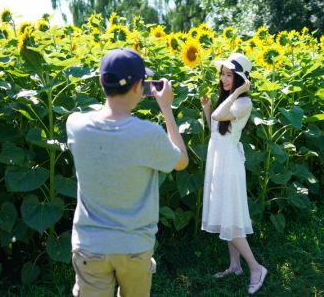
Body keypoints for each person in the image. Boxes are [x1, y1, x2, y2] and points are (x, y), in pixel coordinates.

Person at [66, 48, 188, 297]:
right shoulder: (148, 134)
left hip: (90, 246)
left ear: (102, 82)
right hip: (134, 247)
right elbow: (181, 161)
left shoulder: (75, 125)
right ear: (139, 87)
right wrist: (166, 108)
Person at [200, 53, 267, 295]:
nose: (223, 79)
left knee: (231, 218)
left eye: (229, 75)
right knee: (227, 212)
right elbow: (216, 130)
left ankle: (256, 268)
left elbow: (221, 117)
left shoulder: (242, 102)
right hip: (220, 159)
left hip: (229, 163)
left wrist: (238, 93)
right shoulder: (227, 100)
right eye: (223, 74)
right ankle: (235, 265)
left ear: (240, 79)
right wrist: (207, 110)